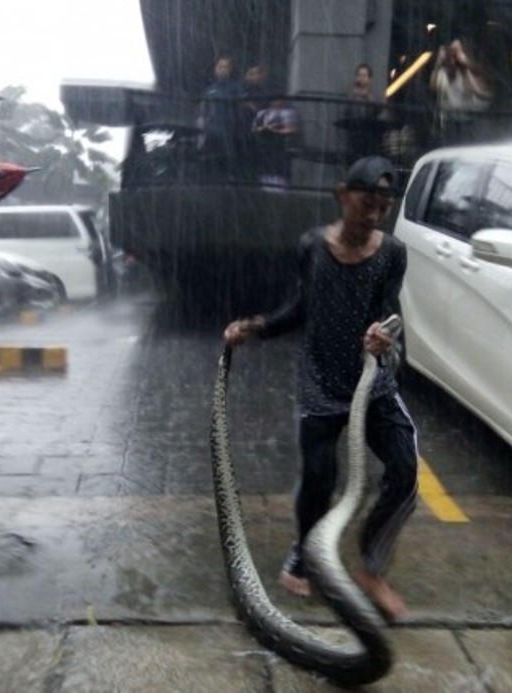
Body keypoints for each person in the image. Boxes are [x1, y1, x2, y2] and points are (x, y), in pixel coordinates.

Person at [222, 156, 418, 620]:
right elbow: (299, 308)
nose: (374, 216)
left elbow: (390, 312)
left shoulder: (393, 253)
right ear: (342, 195)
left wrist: (385, 335)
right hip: (322, 385)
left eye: (383, 207)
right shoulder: (312, 246)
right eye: (366, 204)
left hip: (372, 384)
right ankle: (306, 552)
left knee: (405, 473)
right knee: (318, 478)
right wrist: (254, 327)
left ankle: (372, 565)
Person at [429, 39, 493, 145]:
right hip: (450, 122)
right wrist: (438, 63)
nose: (452, 56)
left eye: (455, 52)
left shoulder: (471, 72)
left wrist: (465, 66)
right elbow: (433, 87)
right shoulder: (443, 73)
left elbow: (476, 91)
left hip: (471, 122)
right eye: (450, 52)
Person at [199, 54, 244, 182]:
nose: (222, 69)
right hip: (211, 130)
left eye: (225, 67)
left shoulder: (236, 88)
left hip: (228, 131)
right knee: (208, 161)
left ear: (230, 70)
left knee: (228, 163)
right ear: (215, 69)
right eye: (220, 66)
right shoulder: (210, 89)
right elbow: (203, 108)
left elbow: (241, 108)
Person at [251, 97, 300, 190]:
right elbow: (254, 129)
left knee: (278, 179)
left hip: (279, 149)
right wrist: (263, 129)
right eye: (274, 99)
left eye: (279, 99)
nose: (276, 102)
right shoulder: (262, 113)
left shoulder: (287, 113)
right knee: (264, 177)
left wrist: (276, 131)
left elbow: (292, 129)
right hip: (264, 150)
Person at [342, 63, 384, 164]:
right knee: (354, 157)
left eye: (364, 75)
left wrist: (369, 98)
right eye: (360, 75)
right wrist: (353, 97)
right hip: (355, 130)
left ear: (369, 78)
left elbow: (380, 109)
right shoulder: (351, 91)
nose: (362, 78)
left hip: (370, 132)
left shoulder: (375, 92)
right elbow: (345, 110)